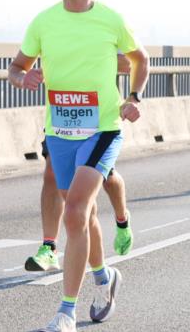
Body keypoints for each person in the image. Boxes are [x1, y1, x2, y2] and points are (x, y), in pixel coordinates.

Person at [9, 0, 149, 332]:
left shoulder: (110, 19)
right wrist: (24, 78)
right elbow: (16, 67)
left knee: (74, 208)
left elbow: (140, 59)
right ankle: (104, 279)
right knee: (83, 218)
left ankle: (65, 316)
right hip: (61, 130)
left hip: (102, 128)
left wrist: (134, 97)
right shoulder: (43, 22)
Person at [25, 52, 136, 273]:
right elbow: (25, 66)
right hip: (63, 119)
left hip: (98, 122)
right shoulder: (54, 28)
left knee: (109, 178)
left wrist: (89, 56)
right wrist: (30, 75)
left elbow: (132, 64)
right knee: (51, 173)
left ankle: (122, 219)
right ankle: (49, 247)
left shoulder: (101, 27)